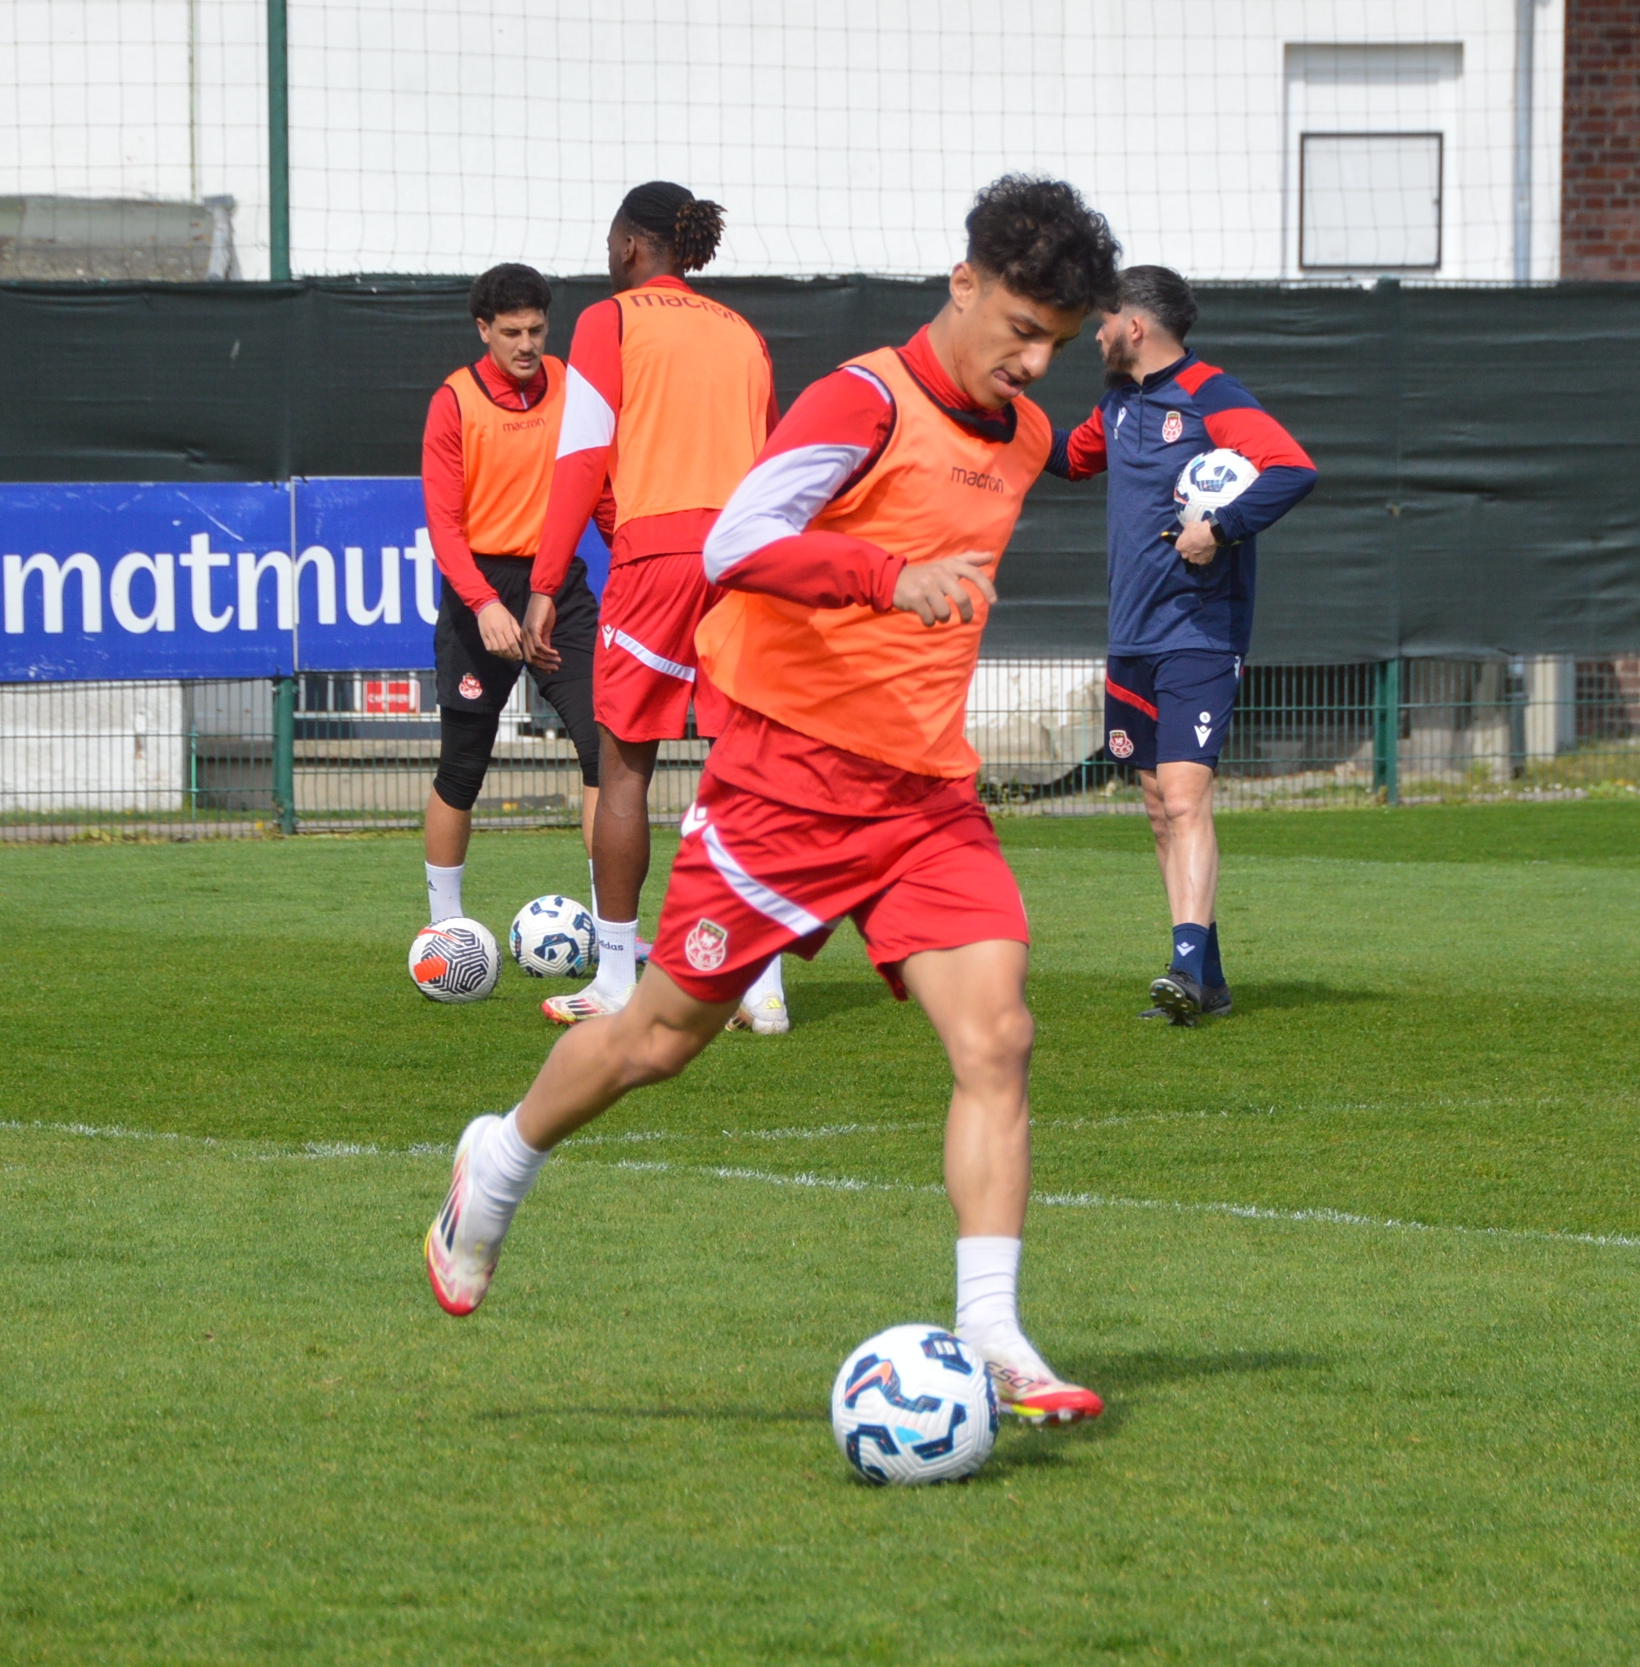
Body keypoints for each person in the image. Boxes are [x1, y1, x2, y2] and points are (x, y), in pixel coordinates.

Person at [424, 175, 1123, 1426]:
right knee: (656, 1040)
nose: (1032, 362)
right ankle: (502, 1156)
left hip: (924, 796)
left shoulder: (1022, 433)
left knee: (998, 1037)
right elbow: (735, 542)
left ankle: (993, 1331)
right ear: (962, 283)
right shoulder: (863, 398)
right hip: (785, 783)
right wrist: (885, 576)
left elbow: (1063, 448)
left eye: (1055, 345)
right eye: (1021, 329)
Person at [522, 182, 790, 1034]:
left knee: (625, 766)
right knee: (746, 768)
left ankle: (614, 980)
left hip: (659, 559)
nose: (607, 255)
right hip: (748, 560)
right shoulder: (744, 333)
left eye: (610, 241)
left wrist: (544, 581)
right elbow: (779, 463)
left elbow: (582, 457)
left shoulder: (611, 319)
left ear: (632, 245)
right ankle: (763, 987)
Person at [1046, 265, 1317, 1024]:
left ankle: (1186, 971)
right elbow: (1070, 457)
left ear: (1134, 326)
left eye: (1102, 321)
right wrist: (991, 408)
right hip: (1131, 633)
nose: (1095, 335)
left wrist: (1220, 527)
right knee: (1160, 809)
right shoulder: (1118, 404)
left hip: (1198, 632)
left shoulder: (1210, 393)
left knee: (1186, 798)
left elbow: (1293, 468)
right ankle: (1211, 979)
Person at [420, 262, 604, 925]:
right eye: (511, 332)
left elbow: (600, 487)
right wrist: (483, 603)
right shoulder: (454, 401)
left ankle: (612, 931)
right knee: (462, 766)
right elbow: (444, 526)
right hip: (482, 590)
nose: (527, 344)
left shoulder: (573, 388)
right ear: (483, 330)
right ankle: (446, 928)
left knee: (604, 751)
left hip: (558, 587)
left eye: (536, 329)